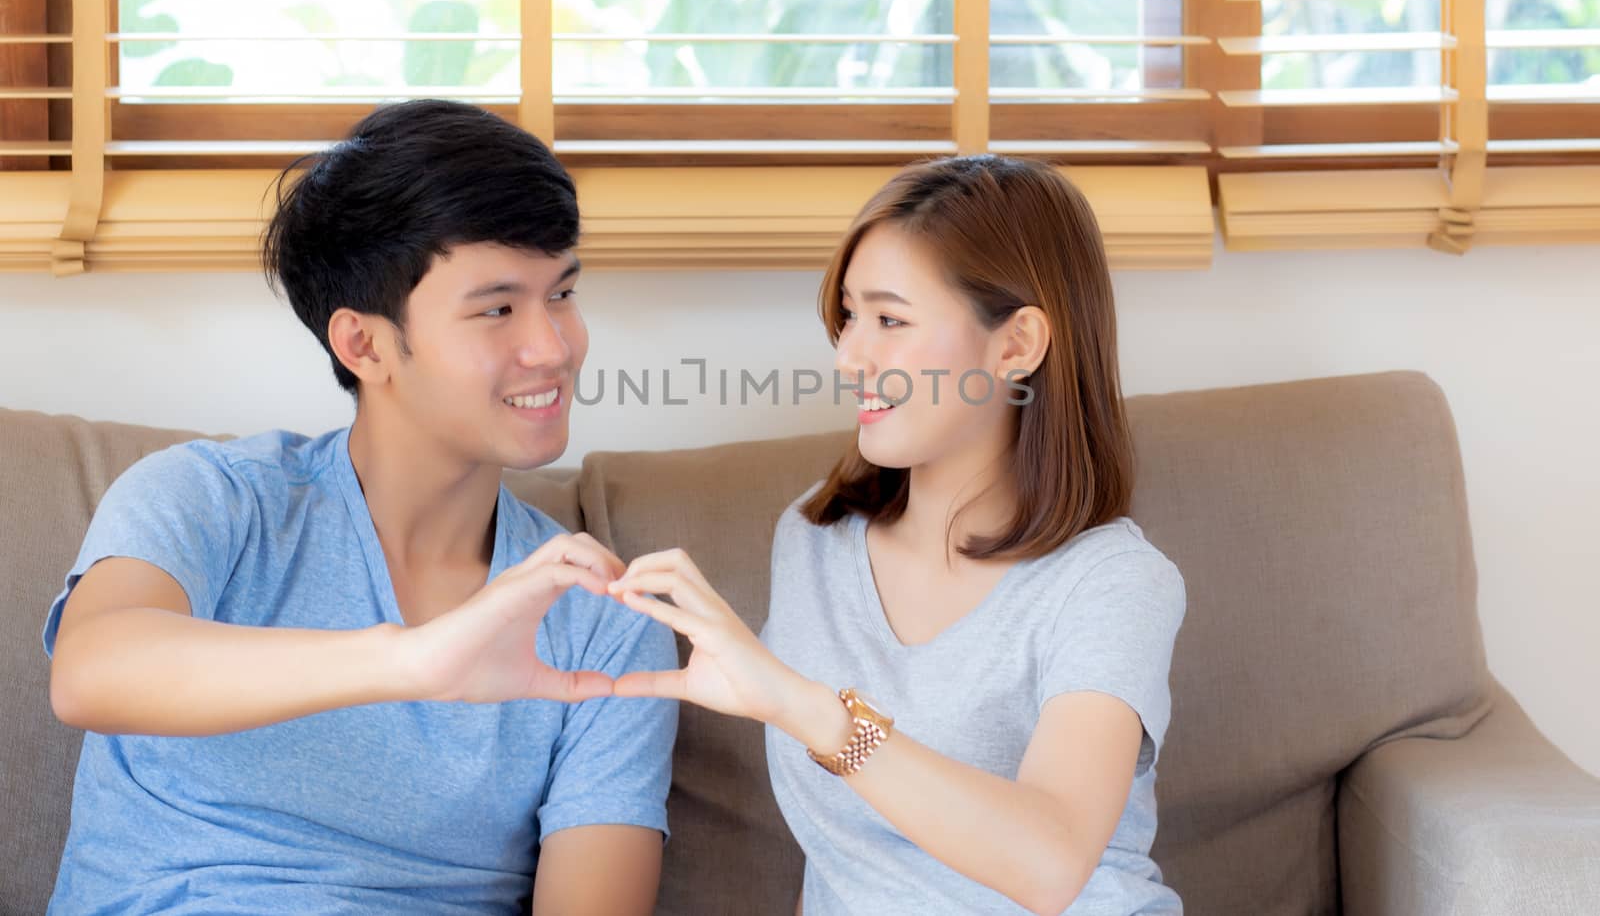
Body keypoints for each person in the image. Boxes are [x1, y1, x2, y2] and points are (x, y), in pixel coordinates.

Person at [41, 100, 678, 915]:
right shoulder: (213, 498)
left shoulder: (603, 620)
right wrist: (412, 660)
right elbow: (93, 671)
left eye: (562, 293)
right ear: (363, 344)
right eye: (497, 308)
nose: (553, 347)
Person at [606, 155, 1187, 914]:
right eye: (849, 315)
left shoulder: (1111, 582)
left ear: (1015, 346)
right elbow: (849, 867)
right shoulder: (812, 541)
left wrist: (805, 706)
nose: (849, 354)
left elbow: (1051, 861)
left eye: (890, 319)